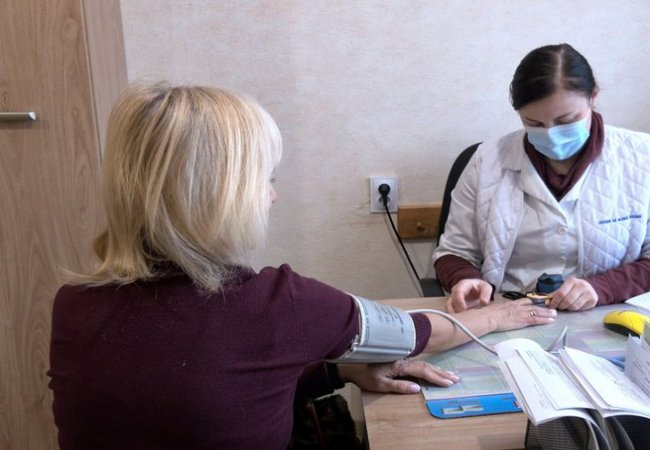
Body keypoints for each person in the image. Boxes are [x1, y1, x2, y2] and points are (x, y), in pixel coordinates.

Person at [48, 82, 556, 450]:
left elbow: (211, 388)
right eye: (265, 179)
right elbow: (416, 333)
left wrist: (340, 370)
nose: (272, 196)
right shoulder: (276, 304)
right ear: (220, 197)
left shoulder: (73, 305)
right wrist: (498, 315)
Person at [433, 43, 650, 314]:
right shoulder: (487, 160)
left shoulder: (642, 157)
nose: (551, 134)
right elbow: (453, 252)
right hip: (507, 312)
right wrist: (464, 279)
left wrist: (604, 287)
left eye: (566, 120)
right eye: (534, 124)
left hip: (607, 315)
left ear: (593, 97)